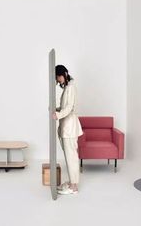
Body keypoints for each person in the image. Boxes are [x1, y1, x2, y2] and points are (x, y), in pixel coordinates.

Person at [52, 65, 83, 195]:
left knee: (72, 157)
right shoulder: (67, 88)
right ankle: (71, 182)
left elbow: (70, 108)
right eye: (57, 78)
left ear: (64, 74)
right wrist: (57, 109)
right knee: (68, 156)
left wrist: (58, 115)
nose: (58, 80)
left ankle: (74, 187)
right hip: (66, 127)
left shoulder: (71, 88)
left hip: (70, 128)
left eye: (58, 77)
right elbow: (65, 106)